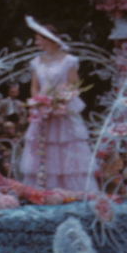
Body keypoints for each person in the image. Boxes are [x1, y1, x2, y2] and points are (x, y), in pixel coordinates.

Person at [18, 18, 93, 190]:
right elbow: (34, 86)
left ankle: (71, 189)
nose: (36, 42)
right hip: (43, 110)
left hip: (62, 108)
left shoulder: (69, 61)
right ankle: (44, 188)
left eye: (39, 38)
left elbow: (74, 85)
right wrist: (38, 103)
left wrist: (61, 100)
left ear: (48, 39)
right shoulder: (37, 61)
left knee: (65, 145)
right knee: (44, 147)